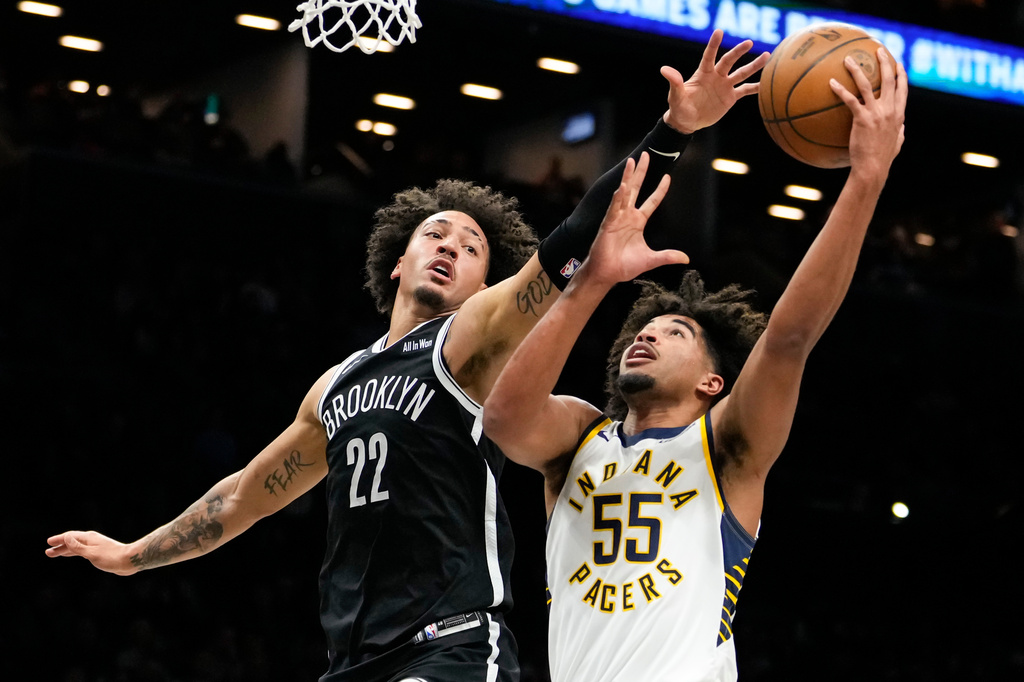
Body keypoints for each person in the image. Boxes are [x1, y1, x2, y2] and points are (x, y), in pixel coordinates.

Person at [44, 30, 770, 682]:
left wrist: (673, 131)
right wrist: (133, 554)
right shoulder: (336, 386)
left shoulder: (471, 339)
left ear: (486, 286)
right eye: (436, 234)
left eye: (471, 246)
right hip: (356, 658)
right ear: (398, 260)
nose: (451, 245)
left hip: (450, 647)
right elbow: (241, 499)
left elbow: (571, 240)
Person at [482, 49, 907, 682]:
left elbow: (789, 338)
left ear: (714, 381)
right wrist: (592, 279)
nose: (647, 336)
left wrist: (866, 179)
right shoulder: (579, 439)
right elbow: (504, 420)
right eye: (643, 330)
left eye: (674, 332)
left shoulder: (727, 445)